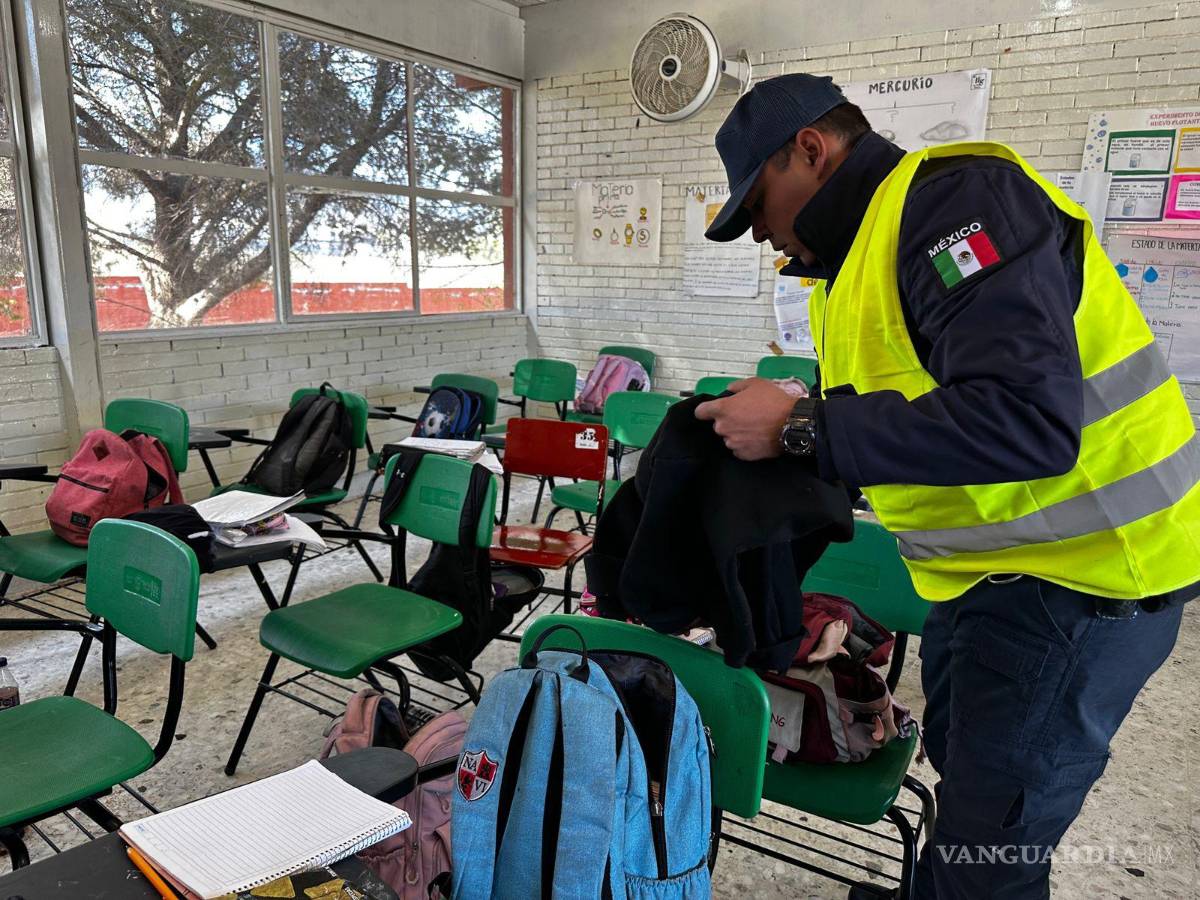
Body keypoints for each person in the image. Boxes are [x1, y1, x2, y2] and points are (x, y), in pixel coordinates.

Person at [697, 73, 1200, 899]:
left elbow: (1026, 420)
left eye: (757, 206)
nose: (760, 234)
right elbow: (924, 400)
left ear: (811, 151)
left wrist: (799, 428)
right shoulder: (857, 257)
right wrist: (805, 414)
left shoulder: (955, 205)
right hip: (989, 580)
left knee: (991, 853)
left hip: (1086, 584)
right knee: (965, 793)